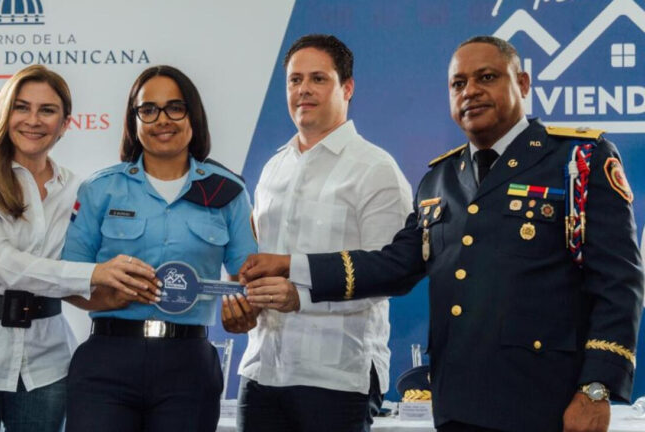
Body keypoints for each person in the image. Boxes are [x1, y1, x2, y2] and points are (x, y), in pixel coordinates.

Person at [239, 36, 643, 432]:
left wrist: (596, 388)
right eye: (458, 83)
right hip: (457, 404)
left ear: (521, 84)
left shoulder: (577, 160)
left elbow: (619, 283)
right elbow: (396, 265)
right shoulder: (441, 179)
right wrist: (293, 265)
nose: (470, 91)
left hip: (545, 402)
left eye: (486, 78)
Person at [0, 65, 156, 432]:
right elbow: (0, 263)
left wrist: (119, 289)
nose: (33, 120)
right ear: (5, 114)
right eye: (21, 107)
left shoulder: (81, 191)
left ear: (65, 124)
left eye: (47, 110)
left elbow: (87, 265)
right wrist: (95, 274)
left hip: (45, 359)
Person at [222, 34, 413, 432]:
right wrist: (243, 305)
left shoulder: (376, 169)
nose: (303, 90)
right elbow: (256, 264)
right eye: (294, 80)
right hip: (262, 371)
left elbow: (391, 273)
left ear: (347, 87)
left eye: (318, 79)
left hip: (336, 378)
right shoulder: (275, 167)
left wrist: (301, 296)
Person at [61, 65, 257, 432]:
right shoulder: (99, 190)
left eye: (174, 108)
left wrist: (246, 314)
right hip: (107, 361)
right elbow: (67, 280)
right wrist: (109, 299)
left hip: (188, 365)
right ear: (133, 120)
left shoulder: (227, 192)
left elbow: (248, 279)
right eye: (148, 110)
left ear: (192, 115)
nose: (161, 120)